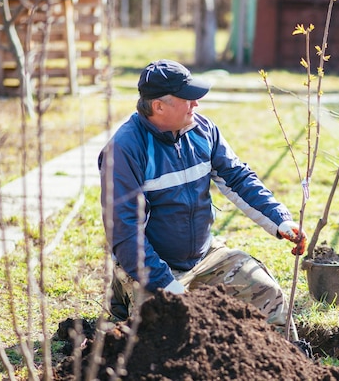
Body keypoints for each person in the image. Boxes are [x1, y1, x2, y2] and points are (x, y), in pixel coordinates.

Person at [98, 59, 307, 339]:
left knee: (269, 296)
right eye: (188, 99)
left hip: (206, 256)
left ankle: (289, 362)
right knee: (163, 336)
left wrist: (280, 220)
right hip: (155, 269)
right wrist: (167, 286)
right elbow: (125, 233)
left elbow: (238, 178)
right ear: (159, 106)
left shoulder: (203, 130)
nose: (196, 104)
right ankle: (124, 296)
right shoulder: (124, 151)